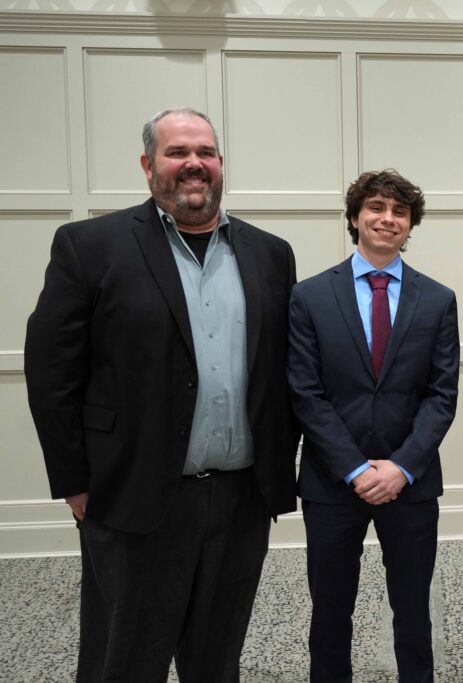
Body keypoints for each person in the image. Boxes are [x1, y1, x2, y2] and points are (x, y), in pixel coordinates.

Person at [24, 107, 299, 681]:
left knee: (217, 659)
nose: (193, 164)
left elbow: (284, 370)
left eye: (206, 153)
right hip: (135, 495)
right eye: (178, 153)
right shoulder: (90, 246)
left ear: (221, 164)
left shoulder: (271, 254)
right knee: (124, 659)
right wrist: (73, 481)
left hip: (240, 498)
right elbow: (52, 372)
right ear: (149, 166)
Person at [288, 170, 459, 682]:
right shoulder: (310, 296)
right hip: (332, 481)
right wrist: (355, 469)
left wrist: (401, 467)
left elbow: (441, 395)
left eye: (399, 212)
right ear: (355, 217)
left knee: (413, 612)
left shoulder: (438, 300)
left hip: (410, 482)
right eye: (377, 208)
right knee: (330, 612)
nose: (387, 219)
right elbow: (305, 393)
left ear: (410, 227)